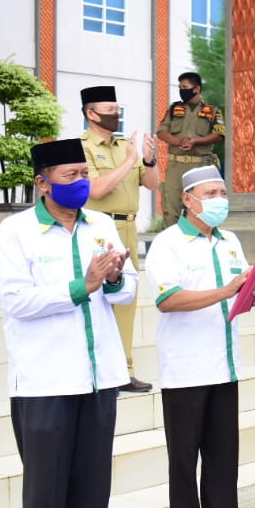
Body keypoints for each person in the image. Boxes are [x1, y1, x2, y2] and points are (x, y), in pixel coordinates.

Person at [0, 138, 137, 508]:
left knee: (92, 477)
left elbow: (127, 289)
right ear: (42, 182)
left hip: (99, 374)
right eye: (71, 176)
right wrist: (83, 285)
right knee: (47, 482)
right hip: (45, 379)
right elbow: (18, 302)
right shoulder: (16, 233)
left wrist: (113, 280)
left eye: (84, 174)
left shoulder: (99, 225)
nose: (81, 183)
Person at [144, 165, 255, 508]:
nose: (219, 201)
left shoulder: (228, 241)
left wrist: (251, 291)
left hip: (224, 362)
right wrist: (225, 290)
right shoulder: (168, 243)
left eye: (222, 193)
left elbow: (236, 297)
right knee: (184, 454)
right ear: (188, 200)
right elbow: (168, 299)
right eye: (211, 194)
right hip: (186, 365)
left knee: (222, 450)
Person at [80, 84, 159, 393]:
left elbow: (151, 184)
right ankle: (97, 368)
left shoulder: (125, 144)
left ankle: (124, 370)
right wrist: (129, 161)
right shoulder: (81, 147)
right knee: (98, 300)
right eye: (109, 111)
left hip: (127, 228)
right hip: (98, 230)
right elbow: (95, 190)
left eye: (117, 111)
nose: (115, 116)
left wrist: (149, 160)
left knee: (126, 299)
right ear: (90, 113)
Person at [157, 71, 224, 230]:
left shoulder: (212, 111)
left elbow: (219, 134)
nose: (182, 90)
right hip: (176, 167)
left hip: (200, 167)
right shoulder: (174, 109)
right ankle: (171, 248)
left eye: (185, 87)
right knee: (171, 210)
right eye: (180, 87)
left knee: (201, 210)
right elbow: (161, 132)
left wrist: (196, 141)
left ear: (196, 89)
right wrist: (179, 142)